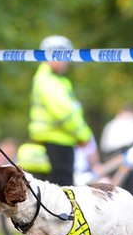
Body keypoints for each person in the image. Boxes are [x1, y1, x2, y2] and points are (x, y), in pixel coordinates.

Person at [27, 35, 93, 186]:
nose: (67, 62)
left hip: (54, 143)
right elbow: (65, 114)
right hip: (57, 145)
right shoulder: (49, 81)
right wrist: (84, 135)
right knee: (62, 196)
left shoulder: (48, 79)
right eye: (65, 56)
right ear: (53, 55)